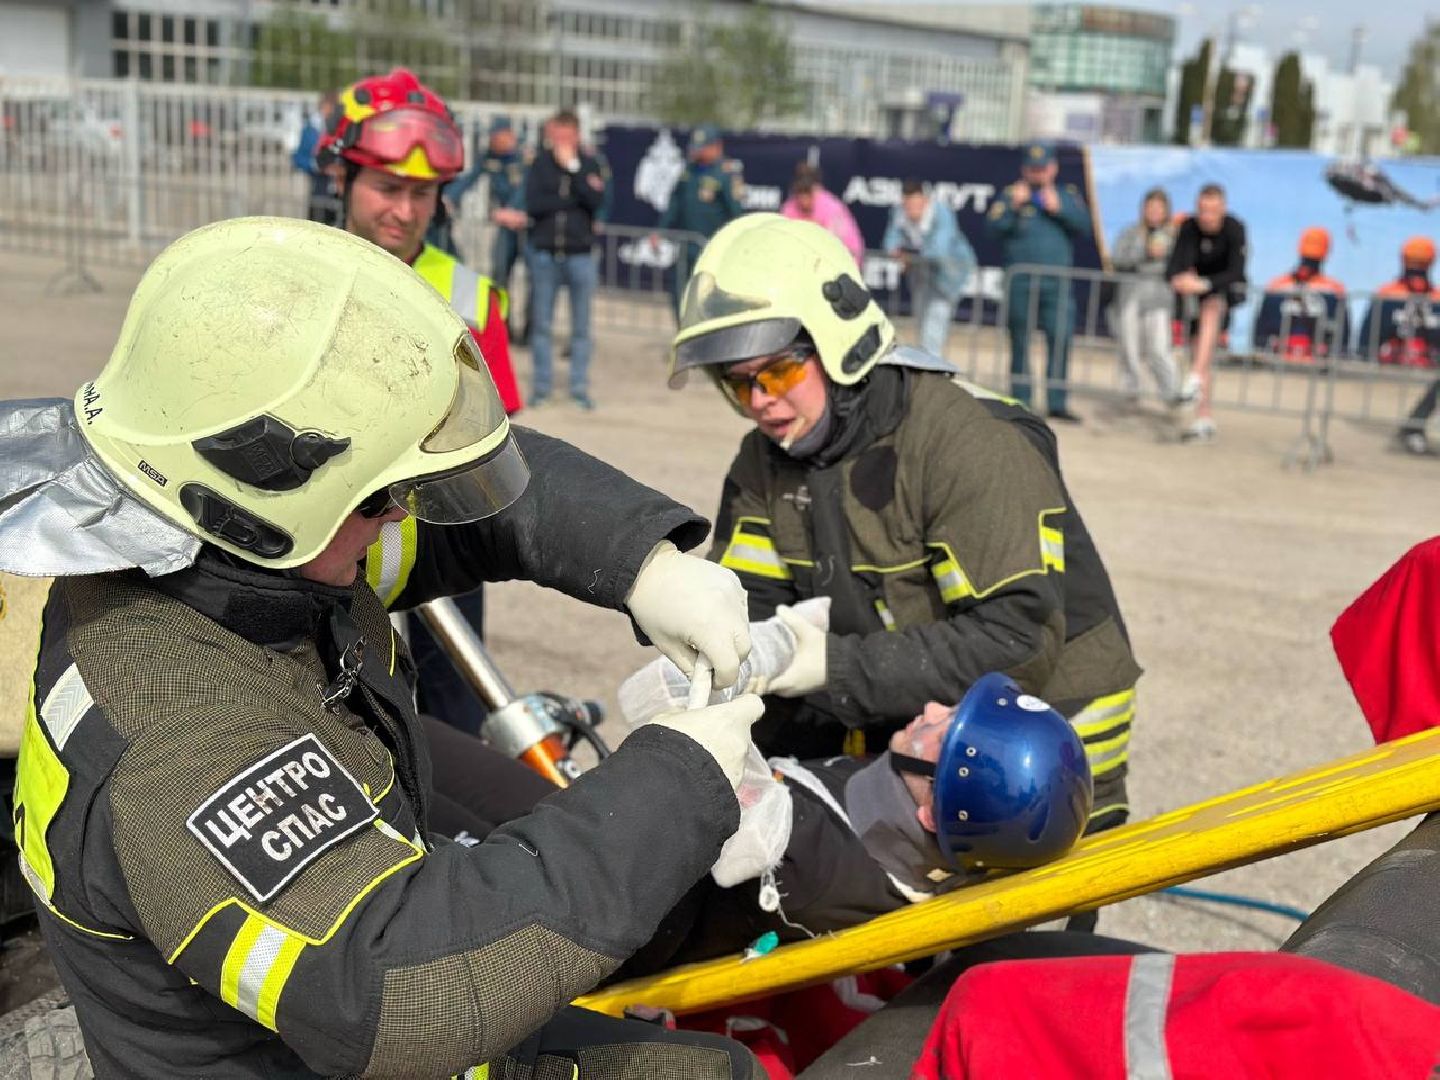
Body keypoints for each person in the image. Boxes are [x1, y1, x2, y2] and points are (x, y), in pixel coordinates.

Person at [0, 217, 762, 1077]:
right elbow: (402, 993)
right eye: (378, 499)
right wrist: (679, 775)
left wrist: (640, 561)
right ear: (258, 501)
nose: (399, 514)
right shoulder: (174, 733)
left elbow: (468, 515)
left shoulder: (245, 556)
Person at [669, 214, 1142, 836]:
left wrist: (829, 668)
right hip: (919, 735)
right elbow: (749, 607)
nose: (759, 401)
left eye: (778, 371)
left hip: (1043, 746)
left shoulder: (968, 442)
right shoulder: (766, 461)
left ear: (838, 340)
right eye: (735, 384)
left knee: (1014, 932)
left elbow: (1016, 641)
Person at [623, 673, 1092, 976]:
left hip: (610, 916)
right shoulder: (899, 806)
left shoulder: (804, 857)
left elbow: (654, 699)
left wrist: (759, 657)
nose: (930, 709)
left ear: (931, 812)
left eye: (942, 732)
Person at [316, 68, 523, 733]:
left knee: (456, 726)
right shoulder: (293, 274)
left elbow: (498, 445)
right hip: (318, 557)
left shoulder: (472, 296)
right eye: (386, 188)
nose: (404, 212)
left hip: (442, 560)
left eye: (423, 193)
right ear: (342, 178)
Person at [987, 142, 1093, 424]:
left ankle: (1057, 402)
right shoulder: (1011, 196)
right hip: (1020, 282)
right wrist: (1013, 207)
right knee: (1020, 339)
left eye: (1043, 168)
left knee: (1060, 339)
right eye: (1033, 169)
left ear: (1053, 168)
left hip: (1056, 284)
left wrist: (1060, 210)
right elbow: (992, 229)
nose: (1038, 173)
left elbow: (1085, 226)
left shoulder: (1066, 196)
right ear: (1025, 170)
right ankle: (1021, 400)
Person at [523, 109, 609, 409]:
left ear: (576, 135)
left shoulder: (589, 163)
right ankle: (542, 387)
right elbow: (535, 203)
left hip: (580, 255)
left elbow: (596, 201)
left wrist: (572, 169)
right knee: (542, 325)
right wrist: (570, 200)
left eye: (564, 135)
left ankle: (578, 388)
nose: (558, 141)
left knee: (581, 327)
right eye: (554, 135)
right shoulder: (539, 163)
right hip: (545, 253)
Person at [1165, 183, 1248, 443]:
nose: (1207, 217)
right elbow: (1174, 266)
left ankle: (1193, 379)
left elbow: (1236, 271)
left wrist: (1205, 284)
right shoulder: (1189, 227)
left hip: (1224, 293)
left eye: (1213, 211)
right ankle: (1203, 416)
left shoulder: (1235, 228)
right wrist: (1182, 280)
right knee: (1200, 351)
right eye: (1203, 210)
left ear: (1222, 209)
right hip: (1194, 296)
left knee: (1211, 311)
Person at [653, 125, 747, 316]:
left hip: (711, 249)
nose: (699, 152)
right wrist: (660, 231)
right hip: (687, 246)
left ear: (717, 146)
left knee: (708, 301)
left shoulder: (726, 173)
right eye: (697, 147)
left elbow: (737, 213)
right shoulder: (689, 171)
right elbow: (675, 204)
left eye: (703, 147)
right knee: (679, 295)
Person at [883, 179, 977, 360]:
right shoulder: (898, 213)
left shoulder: (942, 214)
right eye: (908, 205)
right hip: (921, 274)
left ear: (925, 200)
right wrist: (897, 251)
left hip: (948, 275)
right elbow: (890, 241)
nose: (912, 211)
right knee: (922, 321)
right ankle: (928, 363)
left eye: (916, 205)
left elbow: (939, 249)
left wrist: (908, 255)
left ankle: (931, 368)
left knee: (934, 327)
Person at [1109, 187, 1182, 403]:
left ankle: (1172, 392)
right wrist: (1145, 254)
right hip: (1130, 296)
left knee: (1159, 348)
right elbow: (1118, 260)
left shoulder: (1174, 236)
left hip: (1158, 298)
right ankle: (1132, 391)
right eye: (1150, 207)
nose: (1154, 212)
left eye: (1159, 208)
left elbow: (1178, 266)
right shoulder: (1131, 232)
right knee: (1129, 347)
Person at [1369, 237, 1440, 455]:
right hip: (1404, 364)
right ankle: (1413, 429)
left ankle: (1413, 428)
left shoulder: (1387, 292)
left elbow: (1369, 333)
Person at [1256, 226, 1347, 362]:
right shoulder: (1335, 289)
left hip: (1285, 360)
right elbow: (1343, 335)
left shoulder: (1276, 285)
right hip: (1309, 361)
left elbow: (1260, 330)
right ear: (1326, 251)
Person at [781, 163, 864, 265]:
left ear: (816, 188)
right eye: (800, 193)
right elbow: (784, 240)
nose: (803, 200)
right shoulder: (789, 207)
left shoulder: (832, 208)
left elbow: (839, 247)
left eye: (807, 192)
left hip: (841, 263)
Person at [290, 90, 340, 226]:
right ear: (324, 106)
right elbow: (298, 158)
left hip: (339, 193)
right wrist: (316, 165)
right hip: (319, 191)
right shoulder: (310, 129)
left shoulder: (342, 128)